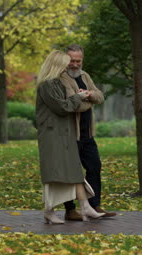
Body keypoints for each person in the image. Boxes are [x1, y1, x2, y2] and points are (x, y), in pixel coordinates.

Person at [35, 50, 105, 224]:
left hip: (66, 133)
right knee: (54, 173)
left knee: (73, 170)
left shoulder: (58, 82)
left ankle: (86, 206)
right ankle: (51, 210)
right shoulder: (47, 85)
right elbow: (63, 107)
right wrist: (81, 97)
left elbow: (98, 96)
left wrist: (83, 97)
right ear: (58, 65)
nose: (70, 66)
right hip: (53, 134)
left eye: (75, 61)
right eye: (67, 62)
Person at [60, 44, 116, 221]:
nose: (75, 64)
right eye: (72, 60)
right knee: (71, 173)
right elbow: (73, 104)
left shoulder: (85, 76)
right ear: (65, 60)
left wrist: (89, 94)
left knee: (94, 166)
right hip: (70, 134)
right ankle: (70, 210)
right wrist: (86, 98)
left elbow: (100, 96)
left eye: (78, 60)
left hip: (87, 134)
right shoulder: (60, 79)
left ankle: (94, 205)